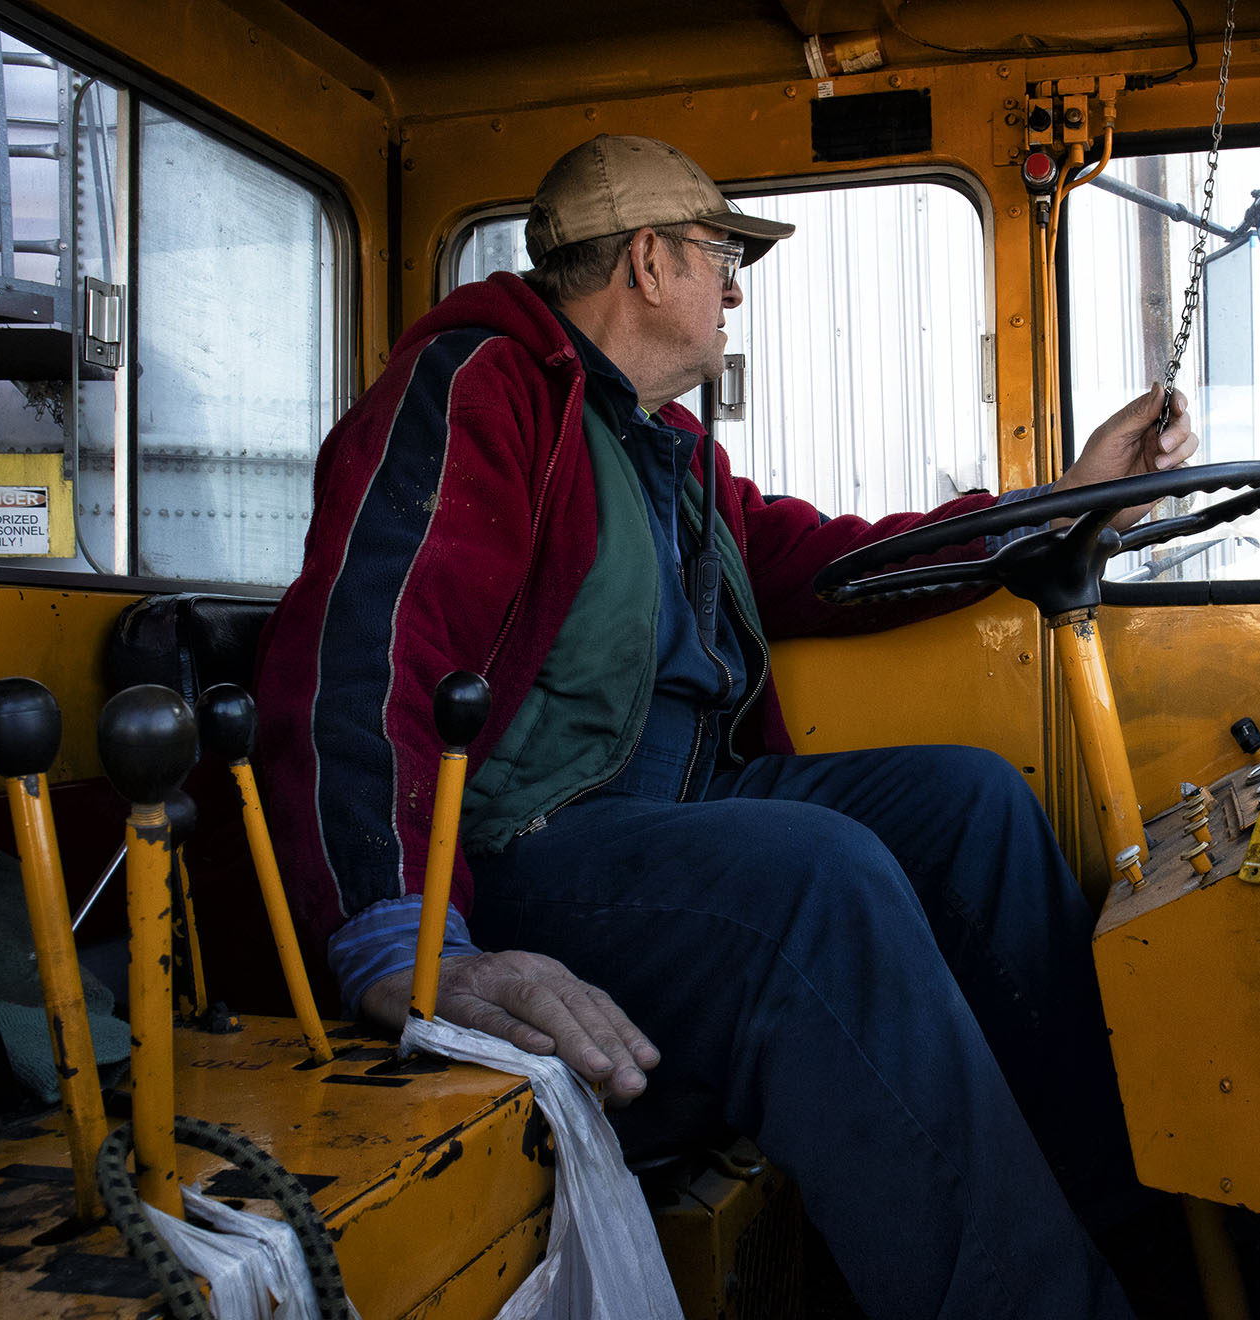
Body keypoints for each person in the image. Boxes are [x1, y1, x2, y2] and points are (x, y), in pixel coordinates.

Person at [253, 133, 1196, 1320]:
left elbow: (823, 563)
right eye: (722, 259)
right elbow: (364, 648)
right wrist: (400, 937)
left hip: (685, 801)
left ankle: (1135, 1240)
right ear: (649, 262)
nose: (735, 292)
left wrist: (1057, 506)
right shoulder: (481, 390)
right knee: (818, 877)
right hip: (530, 840)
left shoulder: (668, 448)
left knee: (973, 803)